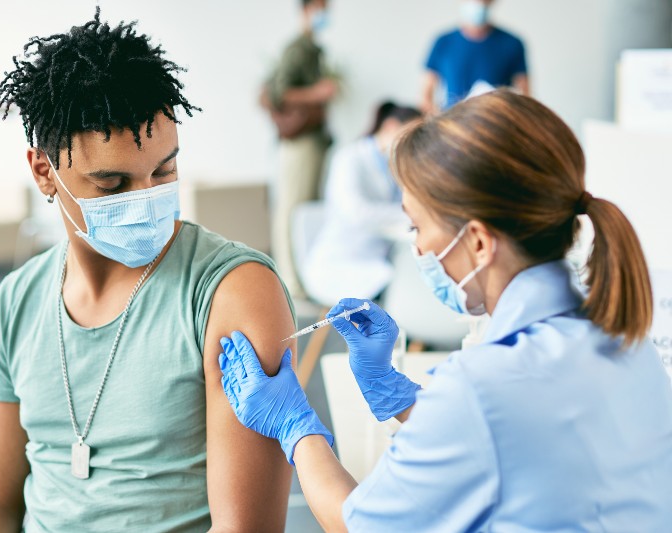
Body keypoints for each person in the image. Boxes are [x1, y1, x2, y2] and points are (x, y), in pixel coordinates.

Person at [219, 90, 672, 531]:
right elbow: (509, 441)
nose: (415, 246)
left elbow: (355, 523)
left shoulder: (484, 387)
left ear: (477, 242)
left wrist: (295, 425)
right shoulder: (626, 339)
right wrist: (397, 393)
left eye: (417, 226)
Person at [0, 10, 295, 532]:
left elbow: (245, 529)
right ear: (44, 171)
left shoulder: (231, 292)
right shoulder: (18, 300)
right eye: (111, 184)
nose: (148, 200)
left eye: (164, 170)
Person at [302, 101, 420, 305]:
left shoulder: (395, 163)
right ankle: (403, 334)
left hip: (379, 257)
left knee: (411, 277)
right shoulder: (350, 158)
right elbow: (357, 212)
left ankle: (409, 333)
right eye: (413, 134)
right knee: (403, 287)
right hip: (342, 263)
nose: (417, 144)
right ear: (391, 126)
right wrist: (412, 215)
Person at [264, 0, 338, 299]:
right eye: (318, 8)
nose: (323, 15)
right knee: (290, 210)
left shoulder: (315, 49)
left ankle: (303, 279)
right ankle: (291, 282)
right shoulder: (297, 49)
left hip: (315, 140)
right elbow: (278, 92)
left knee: (305, 211)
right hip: (299, 142)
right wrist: (317, 93)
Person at [422, 0, 529, 114]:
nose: (478, 3)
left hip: (497, 123)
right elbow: (426, 95)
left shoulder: (512, 43)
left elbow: (525, 94)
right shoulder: (443, 42)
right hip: (454, 123)